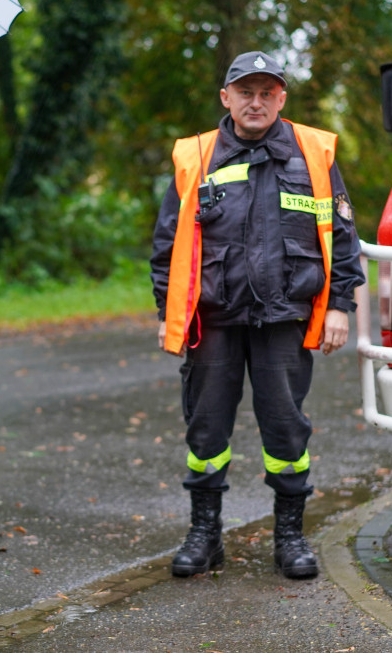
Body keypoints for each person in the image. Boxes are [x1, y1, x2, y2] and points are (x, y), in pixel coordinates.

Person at [150, 51, 364, 581]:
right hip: (214, 320)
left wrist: (339, 304)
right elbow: (167, 245)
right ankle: (205, 535)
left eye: (268, 92)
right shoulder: (195, 156)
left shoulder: (313, 153)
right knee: (205, 433)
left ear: (281, 99)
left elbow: (342, 237)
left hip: (285, 319)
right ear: (226, 98)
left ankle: (290, 536)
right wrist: (165, 312)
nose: (256, 101)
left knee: (287, 434)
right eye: (246, 91)